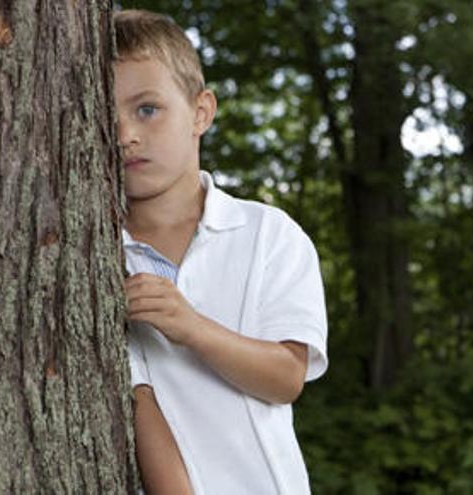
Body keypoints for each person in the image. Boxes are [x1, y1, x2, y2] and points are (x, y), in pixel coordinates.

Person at [113, 9, 329, 494]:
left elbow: (286, 377)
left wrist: (192, 328)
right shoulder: (102, 259)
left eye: (146, 108)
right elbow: (139, 403)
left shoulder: (267, 234)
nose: (125, 134)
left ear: (200, 112)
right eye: (108, 116)